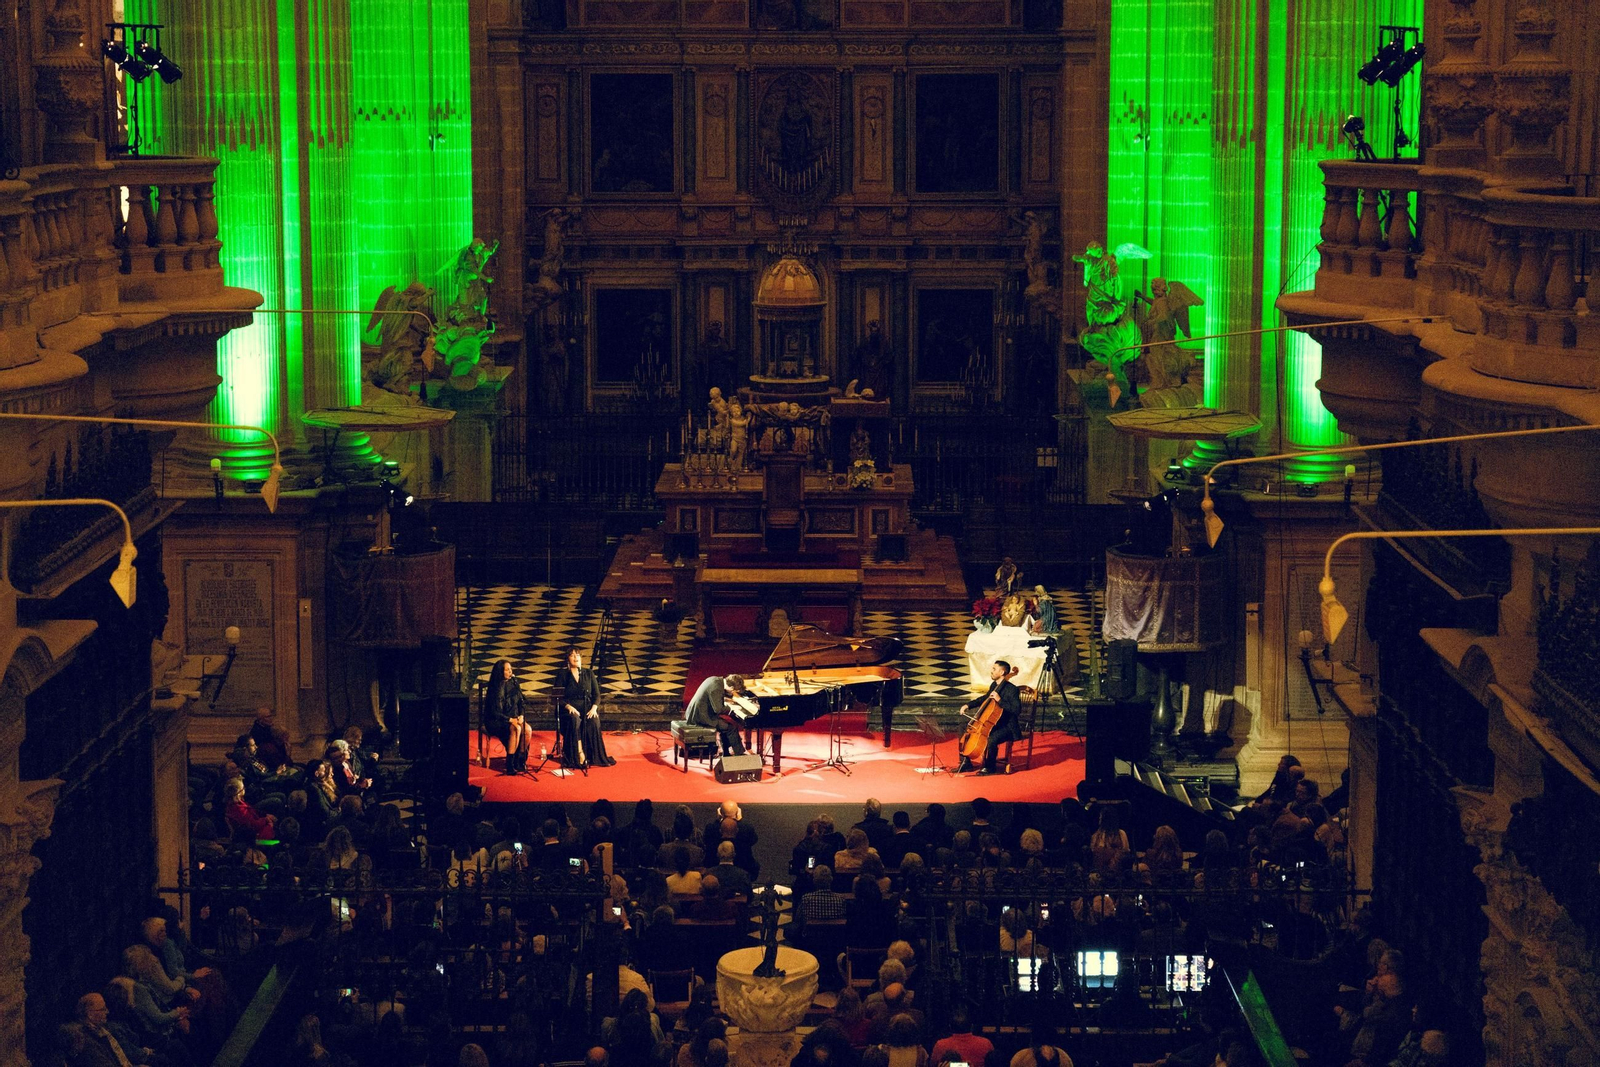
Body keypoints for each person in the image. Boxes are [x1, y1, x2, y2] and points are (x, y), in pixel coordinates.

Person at [956, 661, 1022, 775]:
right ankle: (965, 763)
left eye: (994, 669)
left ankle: (990, 767)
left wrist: (999, 700)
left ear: (1002, 672)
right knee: (963, 726)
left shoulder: (1012, 690)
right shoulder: (994, 685)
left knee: (991, 737)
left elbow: (1016, 710)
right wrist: (968, 705)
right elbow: (985, 699)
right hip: (993, 722)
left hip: (1008, 726)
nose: (991, 671)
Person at [556, 648, 616, 768]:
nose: (575, 657)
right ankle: (579, 754)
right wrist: (568, 706)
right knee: (574, 719)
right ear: (568, 659)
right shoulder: (563, 675)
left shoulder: (589, 673)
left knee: (593, 720)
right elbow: (557, 698)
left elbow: (597, 695)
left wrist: (594, 708)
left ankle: (594, 755)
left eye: (577, 655)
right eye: (572, 655)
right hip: (568, 709)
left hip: (587, 706)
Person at [684, 674, 750, 757]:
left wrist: (728, 698)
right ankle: (739, 754)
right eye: (734, 691)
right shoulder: (716, 689)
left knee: (725, 726)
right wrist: (732, 708)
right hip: (700, 717)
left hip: (698, 712)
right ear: (731, 688)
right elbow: (718, 709)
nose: (733, 693)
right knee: (731, 728)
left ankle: (726, 753)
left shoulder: (716, 680)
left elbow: (718, 697)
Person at [484, 660, 530, 774]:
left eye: (511, 669)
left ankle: (520, 760)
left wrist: (521, 715)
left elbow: (521, 702)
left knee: (527, 729)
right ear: (500, 672)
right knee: (516, 728)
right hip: (496, 720)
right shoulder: (494, 688)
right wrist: (510, 720)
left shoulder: (513, 683)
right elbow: (494, 712)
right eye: (507, 670)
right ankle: (510, 764)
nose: (510, 672)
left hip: (512, 718)